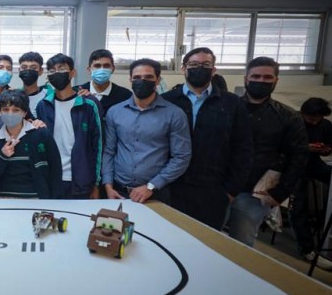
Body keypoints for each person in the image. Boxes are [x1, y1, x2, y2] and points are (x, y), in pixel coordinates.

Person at [162, 47, 253, 230]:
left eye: (205, 65)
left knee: (205, 240)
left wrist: (230, 191)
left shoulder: (231, 103)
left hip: (212, 190)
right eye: (194, 64)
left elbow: (243, 149)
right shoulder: (167, 101)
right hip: (171, 186)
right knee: (169, 236)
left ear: (213, 69)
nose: (200, 69)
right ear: (184, 68)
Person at [227, 57, 311, 251]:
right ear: (246, 78)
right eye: (256, 76)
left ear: (276, 81)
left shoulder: (288, 116)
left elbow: (299, 157)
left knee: (240, 245)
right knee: (208, 237)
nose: (261, 81)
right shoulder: (228, 108)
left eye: (267, 77)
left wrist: (281, 192)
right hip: (220, 186)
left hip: (255, 193)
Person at [102, 58, 191, 206]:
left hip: (155, 194)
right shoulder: (115, 112)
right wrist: (108, 185)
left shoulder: (174, 114)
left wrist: (151, 186)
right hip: (118, 192)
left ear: (158, 80)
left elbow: (181, 156)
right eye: (137, 77)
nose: (142, 81)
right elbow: (109, 151)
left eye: (148, 77)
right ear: (130, 79)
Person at [35, 54, 102, 199]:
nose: (56, 73)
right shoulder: (43, 105)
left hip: (81, 180)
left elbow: (98, 145)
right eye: (52, 71)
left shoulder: (89, 104)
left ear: (72, 73)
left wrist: (96, 184)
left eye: (61, 69)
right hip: (52, 179)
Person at [0, 91, 62, 199]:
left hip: (36, 200)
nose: (10, 114)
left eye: (16, 110)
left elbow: (55, 170)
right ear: (0, 111)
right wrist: (2, 156)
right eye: (5, 109)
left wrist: (53, 202)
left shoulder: (41, 134)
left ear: (25, 113)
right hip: (2, 201)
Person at [293, 97, 332, 268]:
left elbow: (328, 147)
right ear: (303, 113)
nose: (315, 122)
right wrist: (306, 147)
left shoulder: (325, 125)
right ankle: (307, 249)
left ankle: (326, 226)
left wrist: (325, 150)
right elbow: (282, 146)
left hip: (314, 163)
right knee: (298, 205)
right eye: (311, 119)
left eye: (318, 119)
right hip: (293, 166)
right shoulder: (293, 122)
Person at [76, 49, 132, 115]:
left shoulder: (125, 96)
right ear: (89, 70)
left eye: (106, 66)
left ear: (113, 69)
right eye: (97, 66)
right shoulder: (77, 92)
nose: (102, 69)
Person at [18, 52, 48, 118]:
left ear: (41, 71)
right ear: (19, 70)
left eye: (33, 68)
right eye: (24, 67)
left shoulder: (48, 95)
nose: (28, 70)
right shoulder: (15, 95)